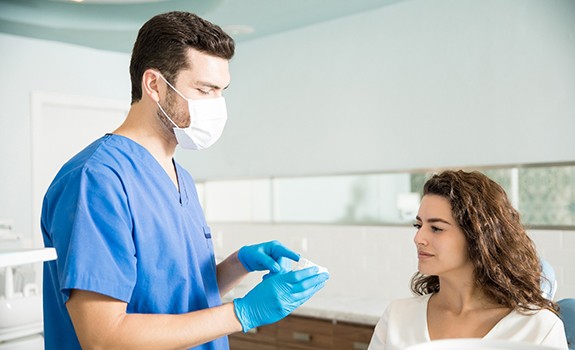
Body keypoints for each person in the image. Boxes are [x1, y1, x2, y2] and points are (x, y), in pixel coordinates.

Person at [41, 11, 329, 350]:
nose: (217, 105)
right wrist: (244, 312)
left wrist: (237, 265)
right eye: (205, 90)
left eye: (222, 91)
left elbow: (175, 298)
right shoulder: (97, 180)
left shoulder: (181, 178)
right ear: (154, 85)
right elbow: (103, 338)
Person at [368, 170, 568, 350]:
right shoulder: (397, 317)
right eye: (418, 225)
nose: (419, 238)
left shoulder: (539, 329)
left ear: (479, 237)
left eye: (436, 228)